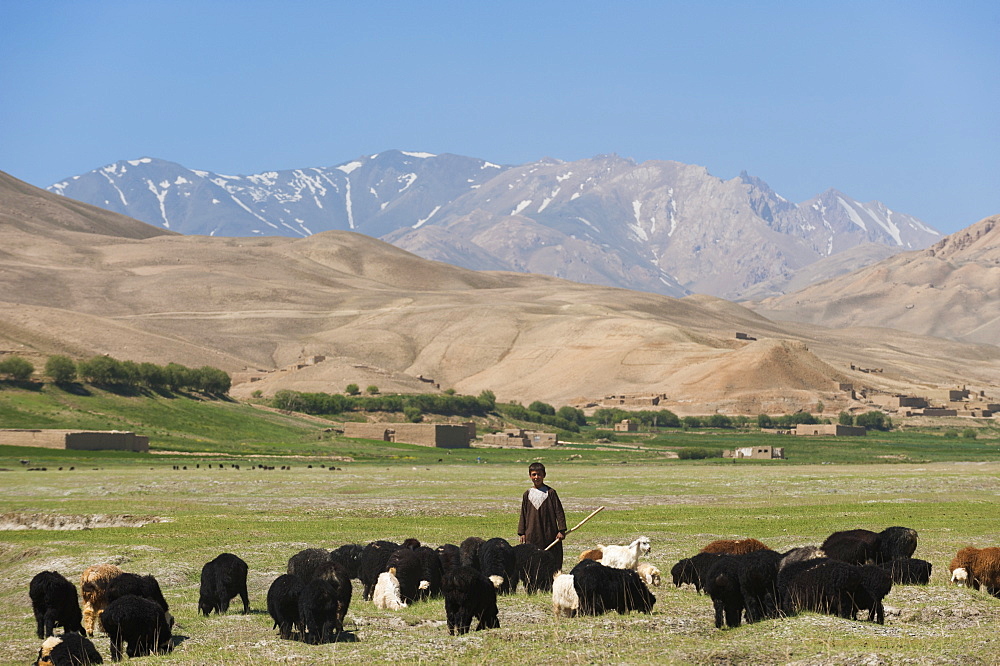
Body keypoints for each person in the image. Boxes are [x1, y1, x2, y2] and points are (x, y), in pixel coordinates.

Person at [517, 462, 567, 569]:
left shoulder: (551, 492)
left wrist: (561, 530)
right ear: (530, 476)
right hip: (532, 533)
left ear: (544, 475)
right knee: (533, 560)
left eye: (539, 474)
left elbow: (559, 512)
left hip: (549, 533)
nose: (536, 477)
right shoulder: (527, 494)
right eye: (534, 474)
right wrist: (522, 532)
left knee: (551, 559)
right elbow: (523, 513)